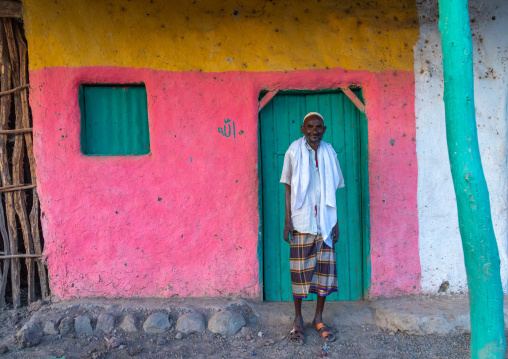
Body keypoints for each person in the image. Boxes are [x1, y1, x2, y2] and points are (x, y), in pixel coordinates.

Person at [280, 112, 345, 346]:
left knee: (323, 274)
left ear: (324, 130)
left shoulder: (329, 152)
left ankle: (318, 318)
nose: (314, 131)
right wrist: (288, 220)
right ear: (303, 128)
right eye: (310, 127)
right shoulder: (293, 151)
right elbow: (287, 186)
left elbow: (333, 189)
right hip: (301, 221)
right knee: (299, 273)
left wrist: (335, 221)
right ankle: (298, 319)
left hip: (325, 223)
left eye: (318, 127)